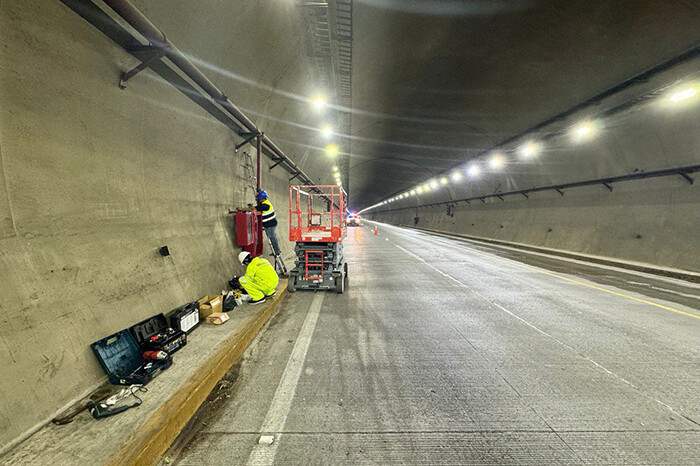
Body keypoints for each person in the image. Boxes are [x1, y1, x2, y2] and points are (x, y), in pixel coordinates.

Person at [254, 190, 281, 256]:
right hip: (268, 225)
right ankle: (275, 251)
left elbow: (256, 208)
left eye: (259, 199)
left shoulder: (266, 205)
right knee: (271, 237)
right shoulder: (266, 203)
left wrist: (245, 209)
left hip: (270, 225)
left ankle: (277, 251)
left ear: (262, 198)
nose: (259, 200)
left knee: (272, 237)